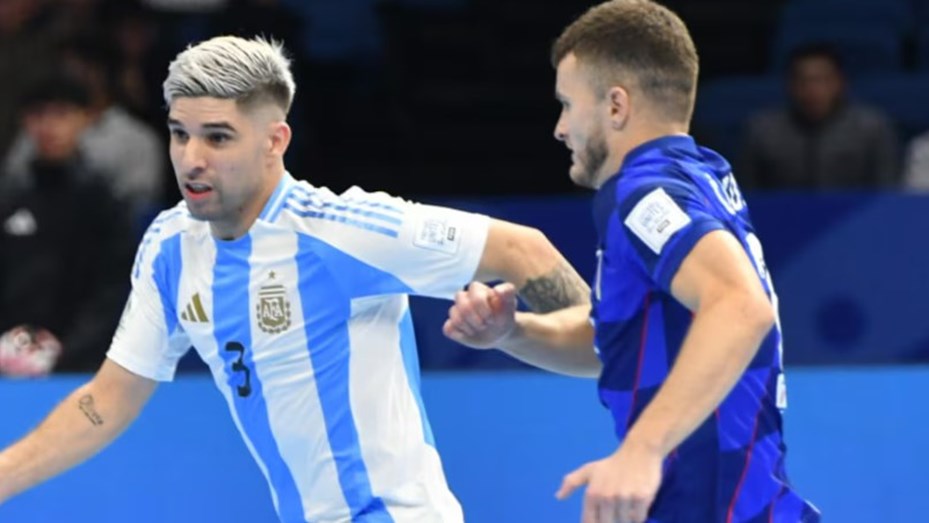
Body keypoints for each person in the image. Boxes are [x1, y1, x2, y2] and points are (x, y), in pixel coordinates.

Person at [0, 36, 590, 522]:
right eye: (180, 133)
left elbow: (523, 249)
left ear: (274, 141)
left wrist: (607, 349)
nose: (192, 158)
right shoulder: (171, 247)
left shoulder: (341, 230)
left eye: (218, 137)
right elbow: (106, 401)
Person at [443, 1, 820, 522]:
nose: (559, 128)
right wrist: (512, 331)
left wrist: (641, 449)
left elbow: (740, 306)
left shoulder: (644, 195)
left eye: (567, 104)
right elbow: (614, 340)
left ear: (616, 106)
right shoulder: (699, 174)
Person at [0, 72, 134, 376]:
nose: (49, 126)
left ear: (85, 118)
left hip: (83, 365)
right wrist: (9, 345)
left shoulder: (105, 203)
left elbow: (113, 289)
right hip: (8, 361)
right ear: (25, 121)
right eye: (38, 115)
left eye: (61, 114)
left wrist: (67, 352)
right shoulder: (8, 198)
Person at [738, 42, 898, 190]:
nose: (812, 90)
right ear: (789, 85)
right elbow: (745, 194)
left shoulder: (872, 128)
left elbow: (887, 192)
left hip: (860, 211)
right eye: (803, 81)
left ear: (840, 82)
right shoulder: (762, 131)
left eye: (822, 80)